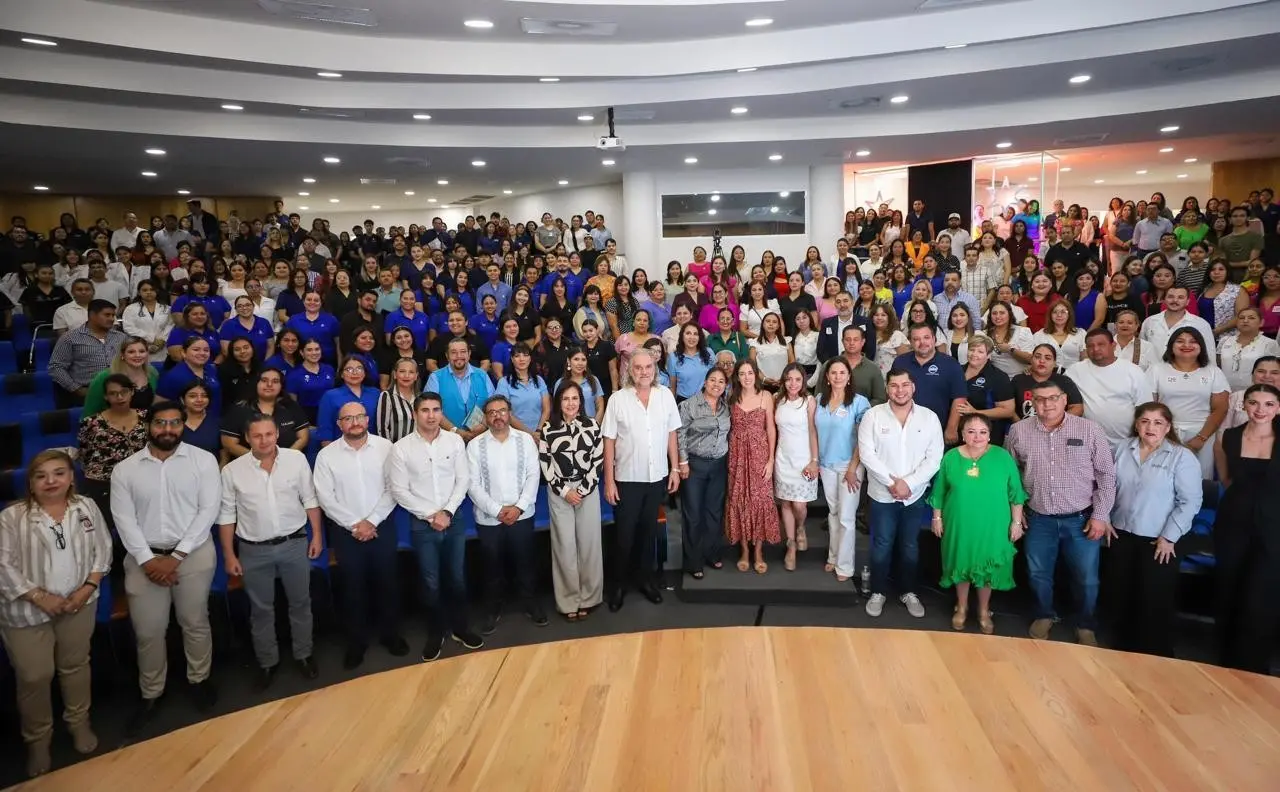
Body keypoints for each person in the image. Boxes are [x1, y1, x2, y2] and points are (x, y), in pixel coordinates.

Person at [109, 401, 221, 735]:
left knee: (195, 622)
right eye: (161, 423)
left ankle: (198, 680)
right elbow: (124, 520)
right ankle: (151, 692)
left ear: (183, 425)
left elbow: (208, 510)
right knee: (148, 631)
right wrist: (148, 559)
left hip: (194, 554)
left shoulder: (203, 461)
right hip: (143, 558)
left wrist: (177, 556)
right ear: (149, 425)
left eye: (175, 423)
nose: (168, 429)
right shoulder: (126, 469)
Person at [0, 451, 111, 778]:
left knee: (75, 666)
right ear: (31, 483)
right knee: (35, 676)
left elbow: (102, 549)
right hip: (25, 610)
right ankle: (38, 740)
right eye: (41, 475)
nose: (51, 481)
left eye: (59, 473)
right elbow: (2, 565)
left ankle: (79, 723)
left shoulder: (86, 507)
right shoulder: (11, 517)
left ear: (71, 478)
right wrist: (39, 596)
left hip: (79, 603)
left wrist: (87, 588)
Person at [1005, 379, 1117, 646]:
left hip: (1082, 520)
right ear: (1032, 402)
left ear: (1065, 400)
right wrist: (1018, 513)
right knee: (1038, 573)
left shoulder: (1089, 430)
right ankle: (1045, 614)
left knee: (1086, 579)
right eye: (1040, 400)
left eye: (1053, 398)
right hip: (1039, 518)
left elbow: (1106, 475)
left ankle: (1085, 623)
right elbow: (1012, 475)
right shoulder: (1018, 431)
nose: (1047, 405)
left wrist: (1100, 515)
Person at [217, 415, 324, 691]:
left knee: (300, 603)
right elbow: (227, 515)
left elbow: (310, 499)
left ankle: (304, 654)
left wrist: (317, 536)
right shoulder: (232, 471)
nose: (264, 440)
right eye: (257, 436)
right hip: (254, 550)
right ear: (247, 439)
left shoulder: (296, 460)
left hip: (294, 543)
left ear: (277, 433)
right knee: (261, 610)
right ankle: (267, 662)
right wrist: (229, 554)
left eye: (269, 434)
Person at [388, 393, 484, 661]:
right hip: (422, 524)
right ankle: (435, 632)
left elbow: (463, 479)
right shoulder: (401, 448)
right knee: (430, 581)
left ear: (441, 413)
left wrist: (447, 511)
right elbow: (399, 491)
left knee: (457, 577)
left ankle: (460, 628)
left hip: (453, 520)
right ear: (414, 414)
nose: (431, 415)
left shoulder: (454, 441)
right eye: (425, 410)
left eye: (436, 410)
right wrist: (431, 516)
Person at [313, 401, 406, 670]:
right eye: (347, 418)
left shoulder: (386, 448)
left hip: (382, 526)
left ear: (368, 420)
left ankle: (391, 636)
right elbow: (325, 497)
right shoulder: (327, 456)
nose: (354, 422)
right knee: (352, 590)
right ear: (339, 424)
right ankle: (357, 643)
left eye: (359, 417)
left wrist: (372, 521)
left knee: (388, 584)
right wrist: (356, 524)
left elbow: (394, 488)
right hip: (346, 533)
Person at [1106, 402, 1202, 658]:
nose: (1150, 427)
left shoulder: (1182, 457)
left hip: (1160, 540)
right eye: (1145, 421)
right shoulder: (1123, 448)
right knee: (1121, 593)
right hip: (1121, 534)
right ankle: (1121, 651)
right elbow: (1106, 487)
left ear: (1168, 427)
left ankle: (1154, 655)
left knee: (1153, 598)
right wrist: (1103, 517)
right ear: (1136, 424)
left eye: (1158, 422)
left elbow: (1190, 502)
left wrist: (1169, 537)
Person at [928, 413, 1026, 634]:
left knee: (986, 565)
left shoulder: (1002, 457)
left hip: (993, 523)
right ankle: (961, 606)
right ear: (962, 434)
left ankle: (983, 609)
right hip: (959, 523)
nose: (977, 436)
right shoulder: (951, 457)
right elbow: (939, 491)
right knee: (961, 562)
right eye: (971, 431)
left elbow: (1016, 494)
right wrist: (937, 517)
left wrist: (1016, 523)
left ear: (990, 435)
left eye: (982, 432)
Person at [858, 369, 945, 618]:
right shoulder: (873, 416)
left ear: (913, 387)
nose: (900, 390)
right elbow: (867, 454)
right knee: (882, 544)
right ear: (887, 389)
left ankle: (909, 591)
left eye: (905, 385)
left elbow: (934, 457)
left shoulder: (928, 418)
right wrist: (891, 482)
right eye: (894, 385)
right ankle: (878, 591)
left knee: (909, 546)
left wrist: (909, 483)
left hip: (915, 495)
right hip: (882, 495)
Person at [601, 348, 682, 611]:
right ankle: (619, 586)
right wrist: (609, 481)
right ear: (629, 370)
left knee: (648, 535)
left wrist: (675, 469)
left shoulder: (665, 396)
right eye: (638, 367)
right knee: (624, 537)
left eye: (648, 367)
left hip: (656, 476)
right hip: (626, 479)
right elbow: (609, 441)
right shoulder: (617, 399)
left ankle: (645, 581)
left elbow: (672, 434)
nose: (643, 372)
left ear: (654, 369)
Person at [1211, 383, 1280, 673]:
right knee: (1230, 586)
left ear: (1278, 408)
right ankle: (1226, 659)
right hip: (1234, 521)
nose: (1260, 410)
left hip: (1274, 526)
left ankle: (1254, 663)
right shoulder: (1229, 436)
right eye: (1254, 403)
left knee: (1261, 593)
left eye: (1268, 404)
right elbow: (1227, 479)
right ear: (1244, 405)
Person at [467, 395, 545, 632]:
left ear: (509, 413)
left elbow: (534, 475)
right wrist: (498, 510)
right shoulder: (475, 445)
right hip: (489, 518)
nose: (497, 416)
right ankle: (492, 609)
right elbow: (472, 484)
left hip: (522, 514)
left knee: (525, 564)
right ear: (486, 417)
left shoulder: (525, 440)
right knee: (492, 567)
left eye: (502, 411)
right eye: (491, 412)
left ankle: (530, 604)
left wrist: (519, 507)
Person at [539, 382, 605, 619]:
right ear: (558, 402)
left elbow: (598, 461)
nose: (570, 403)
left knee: (589, 545)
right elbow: (545, 465)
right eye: (565, 398)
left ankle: (589, 597)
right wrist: (565, 491)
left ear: (581, 401)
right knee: (564, 546)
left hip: (587, 490)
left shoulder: (593, 426)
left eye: (575, 398)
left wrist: (584, 489)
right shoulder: (547, 429)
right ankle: (568, 601)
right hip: (560, 493)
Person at [813, 357, 872, 582]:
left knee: (847, 517)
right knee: (834, 513)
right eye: (833, 373)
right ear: (827, 377)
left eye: (842, 373)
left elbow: (863, 439)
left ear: (849, 377)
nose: (837, 377)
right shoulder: (819, 400)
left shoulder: (859, 402)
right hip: (827, 465)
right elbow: (814, 433)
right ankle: (833, 556)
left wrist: (853, 468)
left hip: (850, 466)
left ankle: (845, 566)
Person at [1147, 327, 1229, 478]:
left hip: (1203, 433)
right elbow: (1149, 406)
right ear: (1171, 345)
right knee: (1163, 478)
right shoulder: (1156, 369)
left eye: (1193, 341)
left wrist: (1201, 438)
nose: (1186, 345)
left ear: (1201, 346)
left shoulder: (1213, 372)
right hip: (1165, 433)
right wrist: (1163, 435)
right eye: (1180, 341)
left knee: (1200, 479)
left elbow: (1221, 408)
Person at [724, 360, 781, 574]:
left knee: (759, 500)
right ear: (737, 376)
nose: (746, 377)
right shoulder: (731, 397)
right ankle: (744, 550)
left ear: (756, 374)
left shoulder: (766, 396)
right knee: (739, 498)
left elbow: (771, 430)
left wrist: (770, 460)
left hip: (759, 455)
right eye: (742, 373)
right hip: (737, 455)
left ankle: (758, 551)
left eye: (750, 373)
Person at [76, 373, 148, 535]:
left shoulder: (146, 418)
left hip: (139, 481)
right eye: (113, 393)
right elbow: (85, 452)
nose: (120, 397)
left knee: (137, 529)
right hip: (102, 482)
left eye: (124, 392)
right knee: (104, 530)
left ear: (132, 392)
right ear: (106, 397)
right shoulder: (91, 423)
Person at [675, 368, 731, 579]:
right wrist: (683, 462)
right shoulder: (688, 405)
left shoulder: (726, 407)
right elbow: (679, 434)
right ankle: (693, 561)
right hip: (695, 464)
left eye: (721, 382)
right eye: (712, 380)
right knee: (694, 514)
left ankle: (712, 553)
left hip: (719, 464)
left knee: (714, 512)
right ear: (705, 382)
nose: (716, 385)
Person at [1066, 328, 1154, 449]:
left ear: (1113, 346)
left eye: (1101, 344)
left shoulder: (1133, 371)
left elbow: (1145, 408)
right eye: (1090, 346)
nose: (1095, 349)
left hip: (1127, 444)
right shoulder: (1074, 371)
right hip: (1087, 444)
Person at [772, 364, 820, 571]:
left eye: (797, 379)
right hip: (783, 459)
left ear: (803, 381)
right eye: (789, 379)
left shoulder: (809, 401)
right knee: (785, 503)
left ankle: (800, 527)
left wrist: (814, 460)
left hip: (804, 459)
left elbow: (812, 431)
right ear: (783, 380)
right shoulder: (777, 400)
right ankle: (790, 544)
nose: (793, 383)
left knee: (800, 505)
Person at [892, 324, 966, 443]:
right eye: (916, 339)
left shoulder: (951, 364)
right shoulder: (900, 362)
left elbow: (959, 398)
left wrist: (952, 428)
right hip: (905, 429)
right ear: (910, 342)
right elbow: (892, 392)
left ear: (934, 339)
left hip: (938, 430)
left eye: (926, 337)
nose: (922, 342)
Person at [47, 299, 127, 408]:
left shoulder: (121, 337)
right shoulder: (70, 337)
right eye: (107, 315)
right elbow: (56, 367)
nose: (112, 319)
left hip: (120, 393)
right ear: (92, 315)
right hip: (85, 394)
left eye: (113, 315)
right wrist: (77, 389)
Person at [221, 368, 310, 457]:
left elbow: (303, 438)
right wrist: (258, 460)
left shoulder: (291, 406)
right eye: (264, 380)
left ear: (281, 386)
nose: (269, 384)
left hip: (287, 462)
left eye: (275, 381)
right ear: (256, 383)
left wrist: (283, 459)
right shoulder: (239, 409)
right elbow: (229, 444)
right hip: (249, 465)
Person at [426, 337, 495, 441]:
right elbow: (431, 409)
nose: (459, 356)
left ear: (469, 354)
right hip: (446, 440)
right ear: (447, 356)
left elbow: (494, 406)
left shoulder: (483, 376)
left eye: (463, 352)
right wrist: (455, 431)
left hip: (481, 438)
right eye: (453, 352)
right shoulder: (435, 378)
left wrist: (484, 425)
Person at [315, 354, 381, 446]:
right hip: (341, 448)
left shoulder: (376, 393)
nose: (354, 372)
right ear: (341, 374)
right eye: (349, 369)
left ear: (365, 373)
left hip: (374, 447)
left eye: (359, 368)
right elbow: (325, 431)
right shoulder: (330, 396)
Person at [1139, 285, 1216, 363]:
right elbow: (1141, 350)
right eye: (1170, 297)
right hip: (1151, 373)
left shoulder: (1200, 324)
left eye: (1180, 297)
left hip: (1186, 373)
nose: (1175, 300)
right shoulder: (1149, 322)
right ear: (1164, 299)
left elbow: (1210, 354)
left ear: (1188, 301)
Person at [82, 336, 157, 416]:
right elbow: (89, 412)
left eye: (142, 351)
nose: (137, 355)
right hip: (112, 425)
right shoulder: (104, 377)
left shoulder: (152, 374)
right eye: (131, 352)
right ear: (122, 355)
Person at [1011, 344, 1084, 421]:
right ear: (1031, 359)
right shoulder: (1018, 380)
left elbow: (1077, 408)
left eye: (1048, 358)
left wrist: (1056, 424)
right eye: (1037, 357)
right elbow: (1009, 409)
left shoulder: (1064, 381)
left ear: (1054, 363)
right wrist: (1022, 427)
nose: (1042, 361)